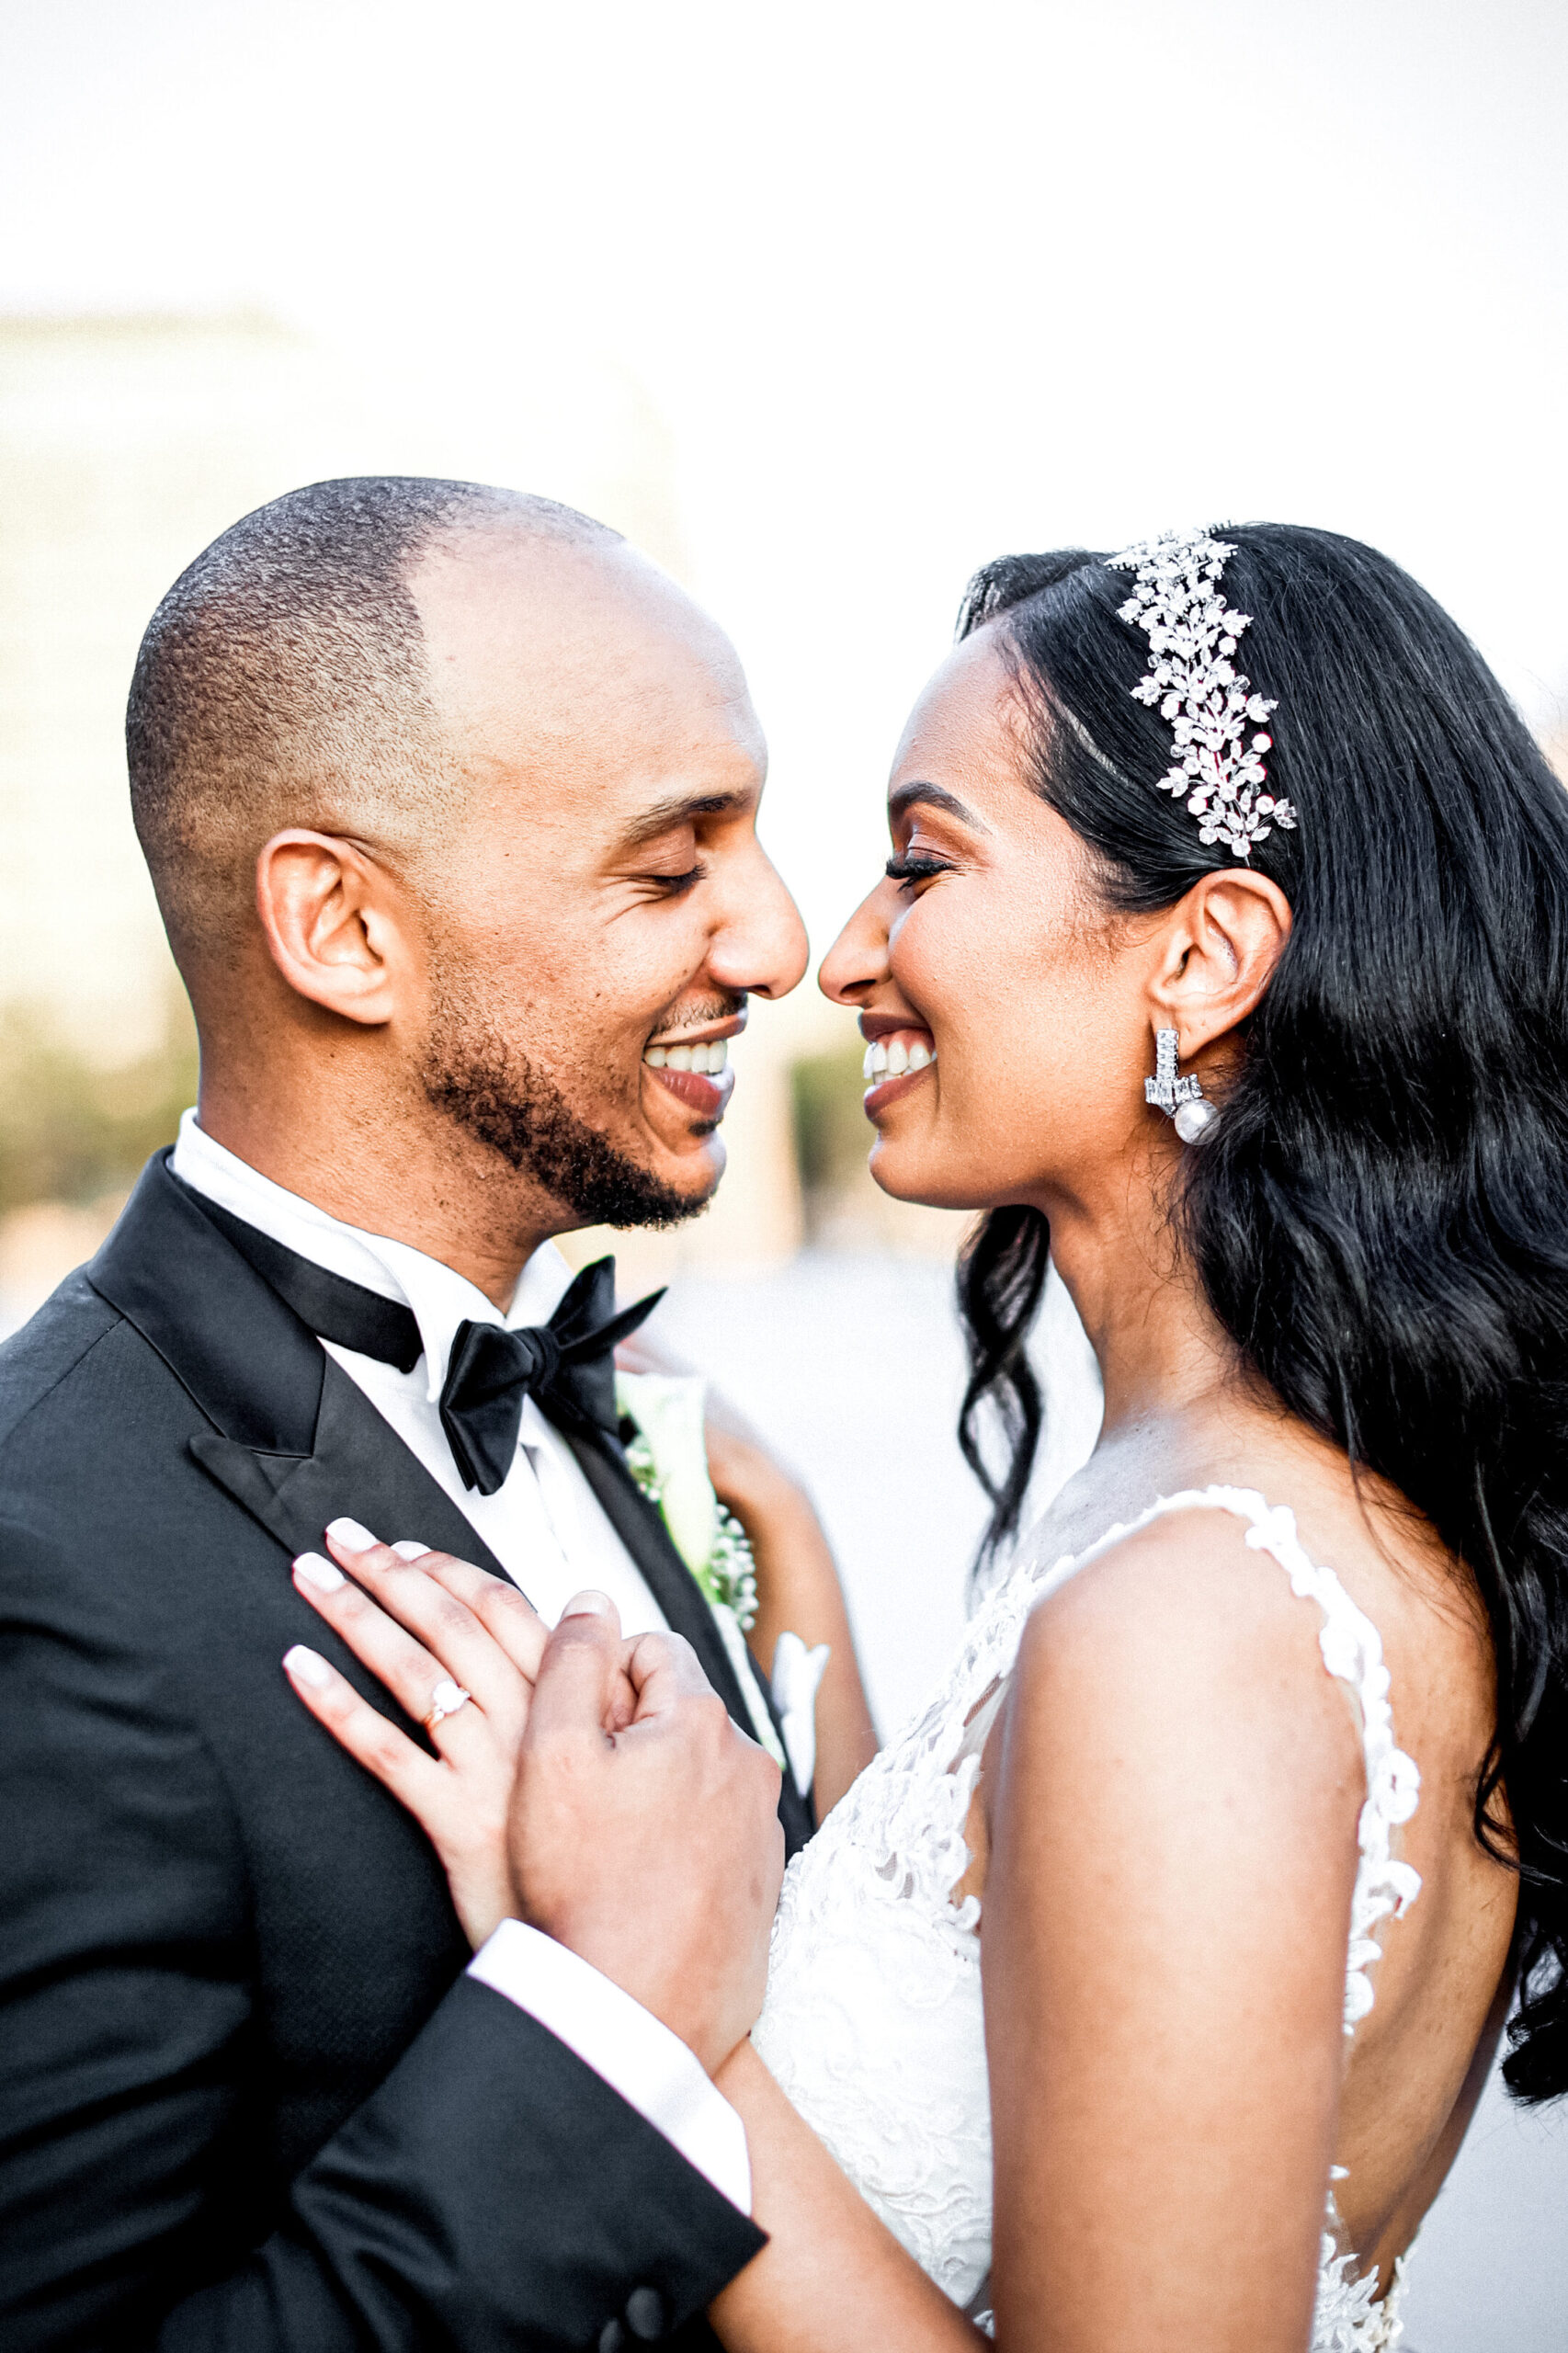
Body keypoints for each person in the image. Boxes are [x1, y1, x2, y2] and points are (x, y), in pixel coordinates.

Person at [320, 525, 1568, 2350]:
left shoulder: (1194, 1613)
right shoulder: (1260, 1502)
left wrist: (647, 2013)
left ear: (1205, 953)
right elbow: (1014, 2001)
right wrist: (795, 1571)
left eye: (921, 862)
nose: (838, 954)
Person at [0, 477, 876, 2350]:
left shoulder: (624, 1398)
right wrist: (605, 2019)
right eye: (673, 862)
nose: (780, 940)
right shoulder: (42, 1558)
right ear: (341, 927)